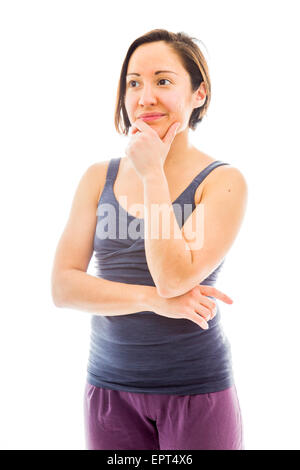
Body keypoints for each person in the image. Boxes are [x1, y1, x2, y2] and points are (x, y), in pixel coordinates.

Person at [51, 29, 248, 450]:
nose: (145, 97)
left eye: (163, 80)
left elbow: (174, 278)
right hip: (108, 390)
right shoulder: (96, 178)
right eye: (134, 83)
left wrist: (152, 174)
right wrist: (154, 302)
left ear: (199, 94)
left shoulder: (222, 182)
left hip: (197, 393)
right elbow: (63, 287)